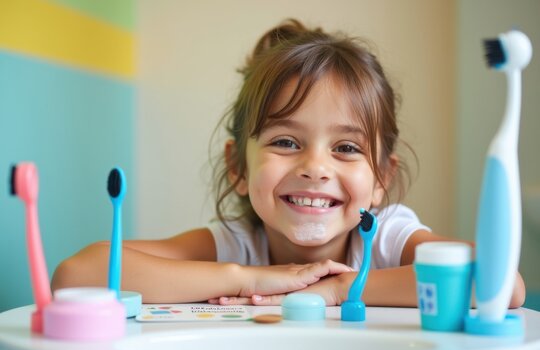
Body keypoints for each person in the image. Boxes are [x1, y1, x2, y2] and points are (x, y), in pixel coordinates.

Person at [51, 19, 525, 308]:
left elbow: (503, 281)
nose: (316, 167)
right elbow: (79, 274)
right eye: (285, 141)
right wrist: (250, 278)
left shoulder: (386, 238)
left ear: (382, 178)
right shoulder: (236, 245)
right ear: (237, 167)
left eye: (346, 148)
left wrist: (343, 290)